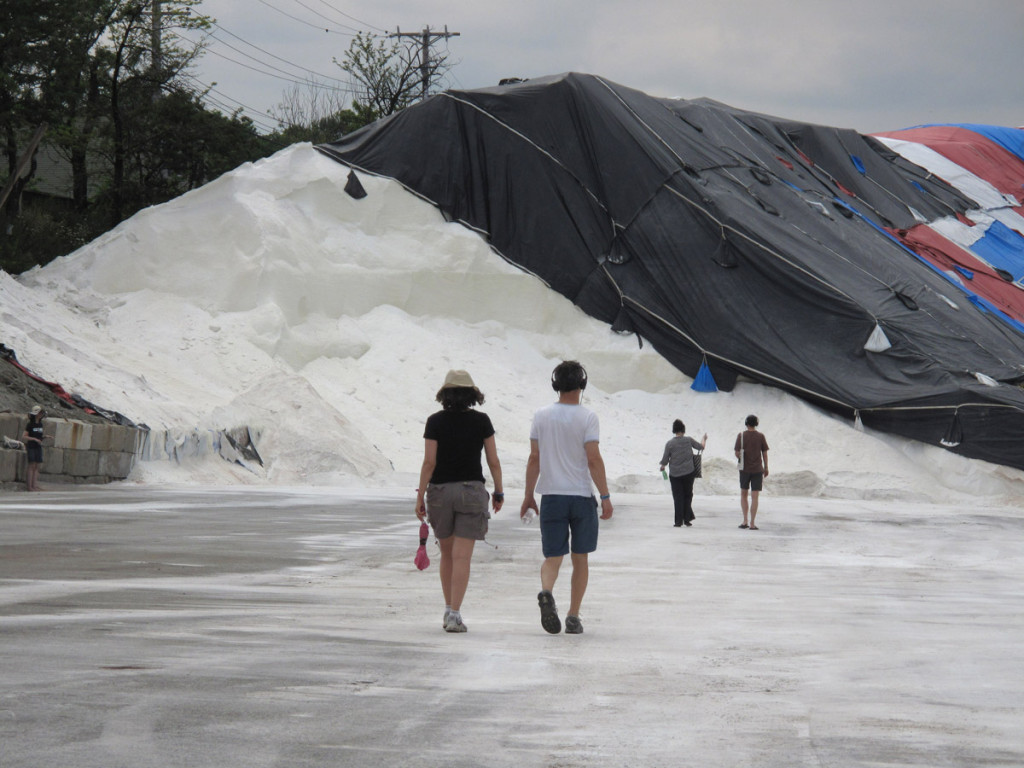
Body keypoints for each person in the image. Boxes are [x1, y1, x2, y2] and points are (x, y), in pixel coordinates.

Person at [521, 360, 613, 635]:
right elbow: (593, 459)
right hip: (581, 497)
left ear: (555, 385)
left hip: (551, 496)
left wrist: (528, 495)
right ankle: (573, 616)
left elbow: (534, 458)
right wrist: (605, 495)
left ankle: (547, 591)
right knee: (580, 558)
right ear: (582, 385)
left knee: (553, 556)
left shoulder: (541, 415)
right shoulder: (588, 417)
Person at [416, 370, 503, 633]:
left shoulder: (434, 421)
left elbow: (429, 462)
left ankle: (447, 609)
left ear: (445, 394)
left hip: (440, 492)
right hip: (471, 492)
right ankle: (455, 613)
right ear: (471, 394)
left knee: (446, 555)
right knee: (462, 557)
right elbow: (493, 461)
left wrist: (420, 496)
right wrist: (499, 492)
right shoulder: (482, 421)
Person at [659, 419, 707, 527]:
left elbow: (665, 459)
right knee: (687, 495)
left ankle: (678, 521)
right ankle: (687, 519)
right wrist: (704, 439)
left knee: (678, 497)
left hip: (675, 474)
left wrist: (662, 466)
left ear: (674, 430)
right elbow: (701, 447)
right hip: (688, 473)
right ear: (683, 429)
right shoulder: (688, 440)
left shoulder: (670, 444)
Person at [734, 414, 769, 530]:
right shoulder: (761, 436)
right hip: (758, 470)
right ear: (756, 424)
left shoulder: (741, 435)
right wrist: (766, 467)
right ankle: (753, 523)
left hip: (744, 469)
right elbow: (764, 453)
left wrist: (741, 455)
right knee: (755, 496)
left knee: (744, 494)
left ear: (746, 423)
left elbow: (736, 453)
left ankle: (745, 521)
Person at [22, 405, 49, 492]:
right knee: (31, 466)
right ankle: (30, 487)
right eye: (40, 413)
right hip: (31, 446)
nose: (41, 414)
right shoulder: (30, 424)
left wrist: (45, 437)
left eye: (41, 413)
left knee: (37, 466)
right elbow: (24, 436)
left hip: (38, 446)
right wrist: (34, 439)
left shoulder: (40, 424)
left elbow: (39, 436)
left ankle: (35, 485)